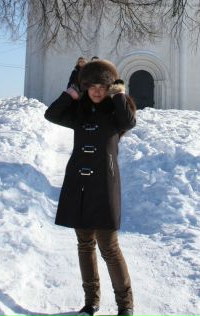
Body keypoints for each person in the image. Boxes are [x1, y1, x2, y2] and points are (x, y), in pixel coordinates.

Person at [45, 59, 136, 316]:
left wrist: (118, 95)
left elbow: (129, 122)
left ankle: (125, 305)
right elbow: (51, 114)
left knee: (109, 246)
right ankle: (91, 301)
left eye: (102, 86)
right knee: (85, 244)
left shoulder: (116, 113)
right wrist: (71, 92)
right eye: (92, 86)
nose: (96, 91)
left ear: (110, 87)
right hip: (80, 183)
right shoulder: (79, 112)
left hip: (105, 184)